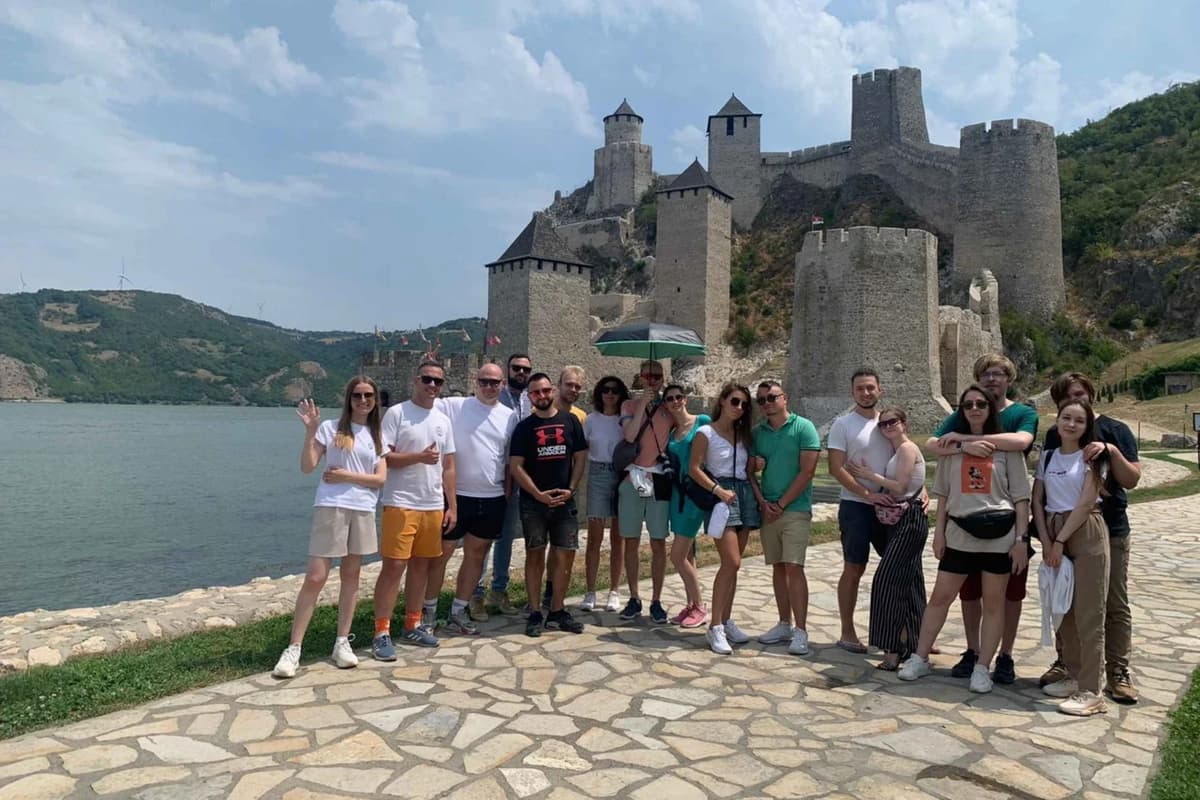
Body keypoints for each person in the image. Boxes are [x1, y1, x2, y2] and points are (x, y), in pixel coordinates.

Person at [898, 385, 1031, 693]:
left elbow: (1021, 498)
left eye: (981, 404)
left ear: (990, 409)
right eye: (968, 404)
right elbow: (942, 495)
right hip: (959, 534)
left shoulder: (1008, 450)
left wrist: (1021, 540)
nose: (974, 409)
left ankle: (982, 667)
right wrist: (939, 534)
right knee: (940, 598)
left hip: (999, 535)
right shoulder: (951, 448)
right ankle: (920, 657)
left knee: (994, 604)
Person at [924, 353, 1037, 684]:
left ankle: (1005, 655)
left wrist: (966, 440)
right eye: (985, 374)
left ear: (1009, 379)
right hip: (965, 525)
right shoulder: (964, 412)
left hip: (1004, 523)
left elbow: (1021, 441)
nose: (991, 379)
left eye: (998, 373)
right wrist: (963, 447)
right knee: (969, 594)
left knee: (1008, 596)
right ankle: (974, 651)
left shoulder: (1022, 413)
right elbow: (933, 444)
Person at [273, 377, 387, 678]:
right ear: (349, 399)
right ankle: (294, 648)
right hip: (331, 506)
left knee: (351, 576)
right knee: (316, 576)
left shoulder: (377, 435)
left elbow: (380, 479)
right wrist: (310, 430)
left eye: (368, 395)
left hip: (362, 509)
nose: (363, 400)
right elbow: (308, 466)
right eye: (357, 395)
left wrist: (346, 476)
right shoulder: (331, 428)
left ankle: (342, 642)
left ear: (375, 400)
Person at [1039, 372, 1141, 704]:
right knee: (1066, 601)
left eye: (1080, 394)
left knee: (1112, 603)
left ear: (1090, 395)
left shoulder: (1115, 430)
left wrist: (1111, 450)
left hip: (1108, 526)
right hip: (1065, 531)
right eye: (1067, 398)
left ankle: (1117, 671)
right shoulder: (1055, 435)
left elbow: (1132, 479)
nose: (1075, 401)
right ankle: (1069, 665)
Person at [424, 363, 517, 637]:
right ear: (475, 382)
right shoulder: (455, 406)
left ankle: (458, 610)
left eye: (494, 382)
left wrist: (506, 493)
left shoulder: (510, 417)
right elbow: (423, 404)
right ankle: (428, 611)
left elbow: (507, 458)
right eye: (484, 381)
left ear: (502, 384)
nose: (489, 387)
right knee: (440, 555)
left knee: (476, 556)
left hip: (491, 497)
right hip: (456, 496)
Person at [372, 361, 456, 656]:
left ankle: (413, 624)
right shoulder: (397, 413)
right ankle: (381, 631)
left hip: (432, 504)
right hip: (400, 502)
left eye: (438, 381)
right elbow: (384, 457)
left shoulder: (443, 420)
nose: (432, 385)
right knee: (394, 566)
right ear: (415, 380)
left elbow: (448, 466)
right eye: (427, 379)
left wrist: (452, 506)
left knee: (422, 565)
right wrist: (418, 457)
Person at [1033, 398, 1110, 715]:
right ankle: (1075, 676)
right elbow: (1037, 500)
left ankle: (1092, 690)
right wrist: (1047, 540)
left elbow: (1086, 501)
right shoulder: (1048, 456)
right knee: (1062, 609)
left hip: (1084, 530)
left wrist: (1060, 540)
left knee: (1089, 613)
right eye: (1066, 418)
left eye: (1079, 420)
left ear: (1087, 425)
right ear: (1058, 420)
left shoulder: (1093, 457)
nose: (1071, 424)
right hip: (1053, 531)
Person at [847, 407, 928, 670]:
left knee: (886, 580)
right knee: (911, 582)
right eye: (882, 424)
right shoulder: (897, 451)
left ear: (904, 423)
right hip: (902, 519)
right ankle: (917, 643)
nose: (887, 427)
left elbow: (902, 486)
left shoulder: (906, 449)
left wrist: (870, 476)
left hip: (910, 520)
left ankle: (893, 648)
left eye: (892, 422)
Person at [509, 372, 588, 637]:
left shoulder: (571, 421)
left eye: (545, 390)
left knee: (565, 555)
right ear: (529, 396)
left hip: (565, 502)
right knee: (535, 554)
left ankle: (557, 610)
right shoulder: (524, 428)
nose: (541, 396)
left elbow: (580, 456)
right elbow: (516, 466)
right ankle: (534, 611)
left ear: (552, 390)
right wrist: (537, 493)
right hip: (534, 504)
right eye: (535, 392)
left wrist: (572, 488)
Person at [827, 369, 895, 654]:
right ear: (852, 392)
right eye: (860, 389)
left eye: (870, 388)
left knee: (899, 568)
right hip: (856, 506)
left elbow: (907, 457)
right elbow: (835, 468)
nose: (865, 393)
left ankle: (909, 631)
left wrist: (921, 491)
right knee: (854, 568)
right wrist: (867, 495)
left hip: (890, 505)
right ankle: (848, 631)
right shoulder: (843, 425)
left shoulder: (890, 423)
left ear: (879, 389)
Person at [749, 381, 820, 655]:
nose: (767, 403)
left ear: (785, 398)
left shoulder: (804, 427)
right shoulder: (758, 433)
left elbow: (808, 471)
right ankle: (783, 623)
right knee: (778, 566)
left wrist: (781, 503)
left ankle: (800, 630)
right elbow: (749, 472)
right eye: (761, 400)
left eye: (771, 397)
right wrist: (762, 503)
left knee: (794, 566)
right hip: (769, 509)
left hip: (795, 509)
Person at [692, 382, 760, 655]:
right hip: (721, 496)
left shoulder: (743, 435)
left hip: (743, 494)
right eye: (734, 401)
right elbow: (694, 468)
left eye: (744, 404)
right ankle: (715, 626)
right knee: (731, 561)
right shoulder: (705, 433)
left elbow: (748, 468)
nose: (739, 407)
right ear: (722, 401)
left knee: (734, 566)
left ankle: (727, 620)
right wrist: (717, 490)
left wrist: (757, 465)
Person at [476, 353, 533, 617]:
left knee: (507, 538)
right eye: (516, 368)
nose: (521, 372)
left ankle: (499, 591)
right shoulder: (495, 397)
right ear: (507, 371)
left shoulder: (530, 399)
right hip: (495, 478)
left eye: (525, 369)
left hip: (520, 476)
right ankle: (476, 593)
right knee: (484, 538)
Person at [617, 360, 674, 623]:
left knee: (658, 542)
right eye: (648, 376)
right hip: (632, 479)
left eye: (657, 376)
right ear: (640, 378)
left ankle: (656, 600)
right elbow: (629, 436)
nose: (653, 380)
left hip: (658, 479)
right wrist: (643, 404)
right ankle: (634, 597)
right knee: (631, 540)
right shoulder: (629, 406)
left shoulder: (668, 408)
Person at [540, 366, 588, 612]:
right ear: (558, 385)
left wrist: (573, 487)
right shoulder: (540, 411)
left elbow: (580, 454)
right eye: (569, 384)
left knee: (562, 547)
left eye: (578, 386)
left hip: (567, 490)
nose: (573, 389)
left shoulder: (580, 417)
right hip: (540, 490)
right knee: (538, 547)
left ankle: (552, 593)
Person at [663, 383, 710, 628]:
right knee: (688, 555)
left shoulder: (702, 421)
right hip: (677, 497)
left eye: (678, 397)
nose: (675, 401)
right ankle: (691, 604)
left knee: (677, 556)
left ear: (685, 399)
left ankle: (700, 606)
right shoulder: (672, 433)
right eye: (670, 398)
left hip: (694, 496)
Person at [582, 376, 629, 613]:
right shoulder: (590, 420)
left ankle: (614, 590)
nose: (610, 394)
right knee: (595, 536)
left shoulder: (625, 420)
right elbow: (581, 450)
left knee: (618, 538)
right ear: (599, 394)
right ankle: (590, 591)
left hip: (621, 474)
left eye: (615, 390)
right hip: (598, 474)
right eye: (605, 390)